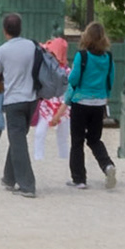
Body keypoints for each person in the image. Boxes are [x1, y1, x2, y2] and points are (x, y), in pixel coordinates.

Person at [0, 12, 40, 195]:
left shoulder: (2, 51)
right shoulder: (31, 46)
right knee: (17, 138)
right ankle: (9, 177)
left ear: (5, 30)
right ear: (20, 28)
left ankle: (27, 185)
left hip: (14, 100)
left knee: (18, 141)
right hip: (32, 98)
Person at [30, 35, 71, 166]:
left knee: (62, 138)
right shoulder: (54, 68)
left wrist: (57, 115)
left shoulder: (66, 72)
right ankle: (39, 158)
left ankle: (63, 160)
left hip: (62, 109)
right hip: (49, 106)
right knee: (40, 133)